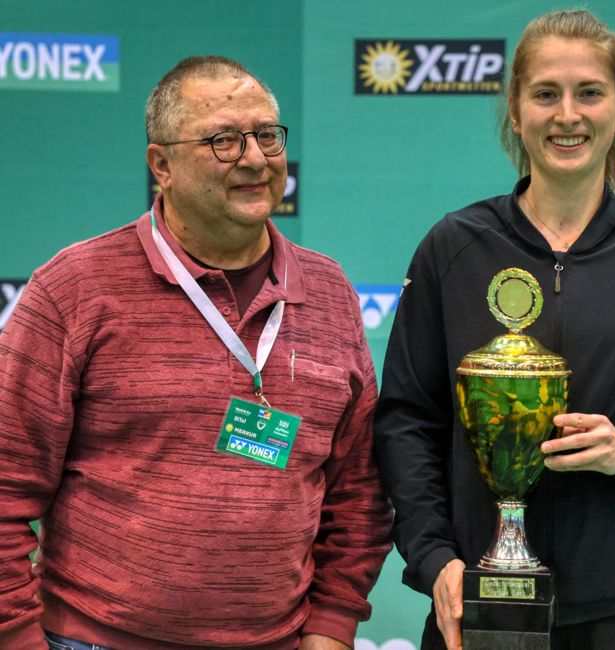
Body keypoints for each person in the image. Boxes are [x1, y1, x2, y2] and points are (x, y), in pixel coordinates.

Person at [373, 9, 615, 650]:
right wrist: (435, 558)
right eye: (546, 94)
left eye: (590, 93)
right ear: (516, 112)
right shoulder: (454, 247)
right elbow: (408, 420)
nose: (568, 115)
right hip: (481, 600)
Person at [0, 56, 392, 650]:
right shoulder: (75, 288)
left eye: (266, 135)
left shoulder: (330, 290)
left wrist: (333, 629)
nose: (257, 159)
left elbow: (358, 490)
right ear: (162, 165)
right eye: (224, 141)